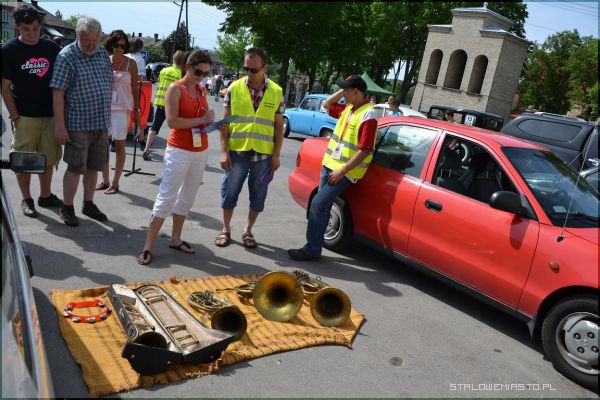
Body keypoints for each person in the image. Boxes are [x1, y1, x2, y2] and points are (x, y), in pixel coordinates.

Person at [137, 50, 215, 265]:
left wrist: (209, 120)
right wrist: (201, 120)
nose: (202, 77)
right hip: (179, 149)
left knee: (187, 196)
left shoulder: (200, 89)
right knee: (166, 196)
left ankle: (176, 238)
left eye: (206, 73)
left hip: (199, 149)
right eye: (198, 72)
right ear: (188, 67)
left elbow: (203, 116)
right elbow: (172, 122)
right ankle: (148, 246)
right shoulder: (175, 88)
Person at [288, 75, 377, 261]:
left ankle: (311, 249)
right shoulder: (349, 108)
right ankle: (314, 248)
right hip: (329, 165)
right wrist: (343, 91)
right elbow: (327, 104)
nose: (343, 94)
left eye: (346, 90)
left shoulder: (368, 114)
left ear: (356, 92)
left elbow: (365, 150)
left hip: (344, 172)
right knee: (323, 206)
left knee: (318, 203)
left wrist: (342, 171)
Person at [215, 47, 284, 249]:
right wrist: (223, 151)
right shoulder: (234, 88)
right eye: (246, 68)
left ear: (265, 68)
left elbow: (278, 127)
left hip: (263, 154)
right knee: (229, 190)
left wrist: (277, 155)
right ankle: (225, 229)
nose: (249, 73)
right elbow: (225, 123)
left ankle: (247, 230)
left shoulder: (277, 92)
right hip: (237, 152)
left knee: (259, 194)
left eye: (253, 69)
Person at [1, 3, 63, 218]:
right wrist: (15, 116)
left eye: (35, 29)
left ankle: (46, 195)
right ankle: (26, 199)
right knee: (24, 161)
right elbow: (5, 88)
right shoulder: (8, 51)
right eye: (26, 29)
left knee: (48, 158)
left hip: (49, 115)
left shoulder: (51, 48)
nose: (31, 33)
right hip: (25, 117)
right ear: (17, 26)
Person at [50, 16, 113, 227]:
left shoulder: (102, 53)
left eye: (95, 40)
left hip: (100, 122)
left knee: (94, 166)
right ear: (78, 35)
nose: (92, 45)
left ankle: (88, 204)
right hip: (78, 123)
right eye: (87, 40)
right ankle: (67, 207)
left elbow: (108, 82)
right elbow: (58, 93)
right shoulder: (67, 56)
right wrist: (60, 126)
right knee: (76, 167)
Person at [96, 30, 140, 195]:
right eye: (116, 45)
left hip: (122, 109)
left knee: (119, 144)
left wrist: (137, 111)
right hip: (104, 108)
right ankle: (105, 180)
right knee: (103, 145)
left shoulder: (131, 63)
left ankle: (115, 182)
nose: (119, 48)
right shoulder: (105, 61)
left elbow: (135, 89)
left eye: (122, 45)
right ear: (111, 45)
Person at [142, 50, 186, 161]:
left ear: (173, 59)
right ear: (182, 62)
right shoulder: (180, 74)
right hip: (173, 105)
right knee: (175, 129)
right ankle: (174, 153)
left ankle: (146, 150)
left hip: (161, 102)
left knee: (154, 127)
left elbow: (159, 82)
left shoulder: (164, 70)